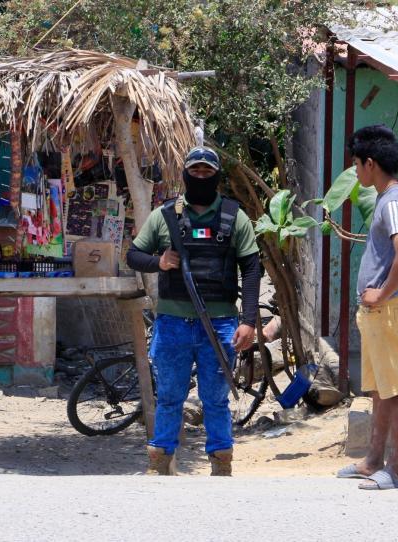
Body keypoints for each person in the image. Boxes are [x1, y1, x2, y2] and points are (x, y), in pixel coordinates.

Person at [126, 146, 261, 476]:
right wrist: (158, 262)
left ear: (217, 175)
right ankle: (160, 462)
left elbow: (251, 269)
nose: (201, 175)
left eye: (207, 171)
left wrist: (248, 321)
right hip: (173, 323)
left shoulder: (235, 216)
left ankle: (221, 463)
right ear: (186, 174)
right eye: (195, 170)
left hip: (220, 323)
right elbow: (133, 255)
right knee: (169, 396)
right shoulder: (164, 216)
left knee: (215, 398)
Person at [336, 125, 398, 490]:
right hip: (375, 313)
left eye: (357, 164)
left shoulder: (394, 202)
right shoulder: (388, 198)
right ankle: (372, 462)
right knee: (381, 389)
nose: (355, 171)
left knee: (396, 390)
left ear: (370, 163)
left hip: (384, 311)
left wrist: (381, 294)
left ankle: (396, 471)